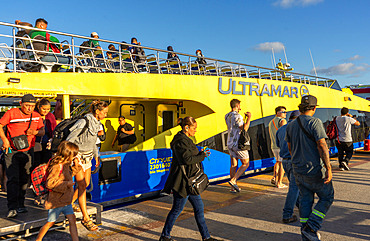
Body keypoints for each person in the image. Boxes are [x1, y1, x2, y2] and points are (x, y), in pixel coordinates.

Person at [160, 117, 221, 241]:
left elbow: (190, 155)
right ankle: (165, 236)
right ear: (186, 127)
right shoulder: (180, 141)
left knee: (199, 208)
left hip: (190, 182)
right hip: (182, 183)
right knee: (177, 210)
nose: (195, 131)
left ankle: (206, 237)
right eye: (194, 128)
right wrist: (202, 155)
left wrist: (200, 152)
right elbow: (187, 160)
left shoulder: (185, 140)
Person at [286, 95, 334, 241]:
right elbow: (322, 145)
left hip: (297, 169)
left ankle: (306, 235)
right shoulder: (315, 122)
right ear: (314, 108)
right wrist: (329, 168)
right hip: (314, 169)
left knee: (305, 201)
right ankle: (312, 227)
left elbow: (290, 148)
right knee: (327, 197)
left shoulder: (290, 125)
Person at [0, 94, 45, 218]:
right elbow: (0, 125)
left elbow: (42, 131)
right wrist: (4, 140)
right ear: (20, 103)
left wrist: (35, 132)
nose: (29, 108)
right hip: (11, 150)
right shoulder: (11, 113)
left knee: (25, 178)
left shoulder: (36, 116)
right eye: (27, 106)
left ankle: (21, 204)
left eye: (32, 106)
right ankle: (12, 207)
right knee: (13, 178)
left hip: (28, 150)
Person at [67, 100, 109, 231]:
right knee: (81, 186)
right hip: (78, 156)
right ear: (98, 112)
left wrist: (96, 156)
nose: (106, 115)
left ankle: (70, 202)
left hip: (89, 156)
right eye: (105, 112)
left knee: (85, 184)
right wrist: (73, 158)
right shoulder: (83, 122)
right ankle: (86, 218)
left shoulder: (97, 123)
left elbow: (94, 141)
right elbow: (69, 140)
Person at [35, 141, 81, 241]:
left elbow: (70, 174)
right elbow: (50, 183)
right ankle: (38, 239)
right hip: (56, 202)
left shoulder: (66, 165)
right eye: (73, 155)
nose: (74, 157)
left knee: (72, 220)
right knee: (50, 223)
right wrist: (66, 184)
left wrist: (76, 166)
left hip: (66, 201)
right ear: (67, 154)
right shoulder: (57, 166)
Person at [276, 110, 300, 224]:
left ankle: (302, 207)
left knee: (296, 186)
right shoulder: (297, 128)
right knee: (294, 188)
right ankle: (287, 215)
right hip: (295, 161)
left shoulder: (280, 129)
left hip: (284, 161)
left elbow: (278, 144)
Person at [33, 98, 57, 205]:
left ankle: (46, 192)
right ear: (39, 107)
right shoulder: (33, 115)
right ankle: (37, 193)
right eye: (44, 109)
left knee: (46, 168)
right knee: (36, 168)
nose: (46, 111)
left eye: (48, 109)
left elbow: (53, 130)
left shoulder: (50, 117)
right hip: (34, 146)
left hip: (46, 146)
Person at [225, 99, 251, 193]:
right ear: (237, 105)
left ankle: (233, 187)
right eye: (240, 105)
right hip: (238, 143)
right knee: (246, 163)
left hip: (230, 142)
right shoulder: (237, 116)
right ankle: (233, 180)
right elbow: (244, 129)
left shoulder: (227, 115)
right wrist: (249, 118)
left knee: (233, 165)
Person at [268, 106, 287, 188]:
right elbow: (285, 133)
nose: (285, 113)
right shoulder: (282, 121)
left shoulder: (271, 122)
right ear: (278, 113)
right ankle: (279, 182)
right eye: (283, 112)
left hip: (273, 146)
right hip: (280, 146)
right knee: (282, 163)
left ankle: (274, 177)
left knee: (278, 161)